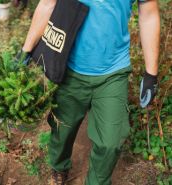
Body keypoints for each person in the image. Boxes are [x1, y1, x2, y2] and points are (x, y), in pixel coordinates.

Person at [18, 0, 160, 184]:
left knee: (110, 142)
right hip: (69, 67)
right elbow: (47, 4)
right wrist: (26, 50)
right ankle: (59, 167)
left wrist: (151, 73)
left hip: (113, 72)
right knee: (62, 129)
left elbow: (148, 13)